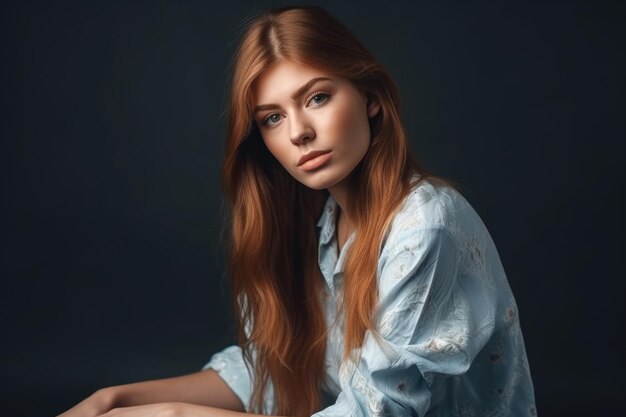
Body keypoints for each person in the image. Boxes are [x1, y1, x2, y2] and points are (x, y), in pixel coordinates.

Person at [58, 5, 536, 417]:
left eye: (317, 97)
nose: (298, 133)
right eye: (272, 117)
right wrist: (114, 398)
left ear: (369, 98)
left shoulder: (426, 224)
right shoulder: (321, 224)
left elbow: (375, 412)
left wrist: (175, 412)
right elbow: (271, 369)